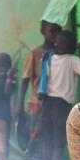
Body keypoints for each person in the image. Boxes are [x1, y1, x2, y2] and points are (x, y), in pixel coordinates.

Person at [37, 30, 80, 160]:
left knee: (47, 140)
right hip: (60, 106)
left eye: (60, 41)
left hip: (48, 104)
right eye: (57, 41)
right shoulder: (72, 60)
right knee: (57, 142)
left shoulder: (49, 58)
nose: (57, 43)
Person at [16, 20, 62, 152]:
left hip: (54, 104)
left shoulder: (60, 53)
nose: (55, 34)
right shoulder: (35, 52)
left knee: (51, 136)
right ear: (43, 31)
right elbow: (25, 79)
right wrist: (20, 105)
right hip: (38, 103)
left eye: (58, 31)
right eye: (52, 30)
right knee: (38, 136)